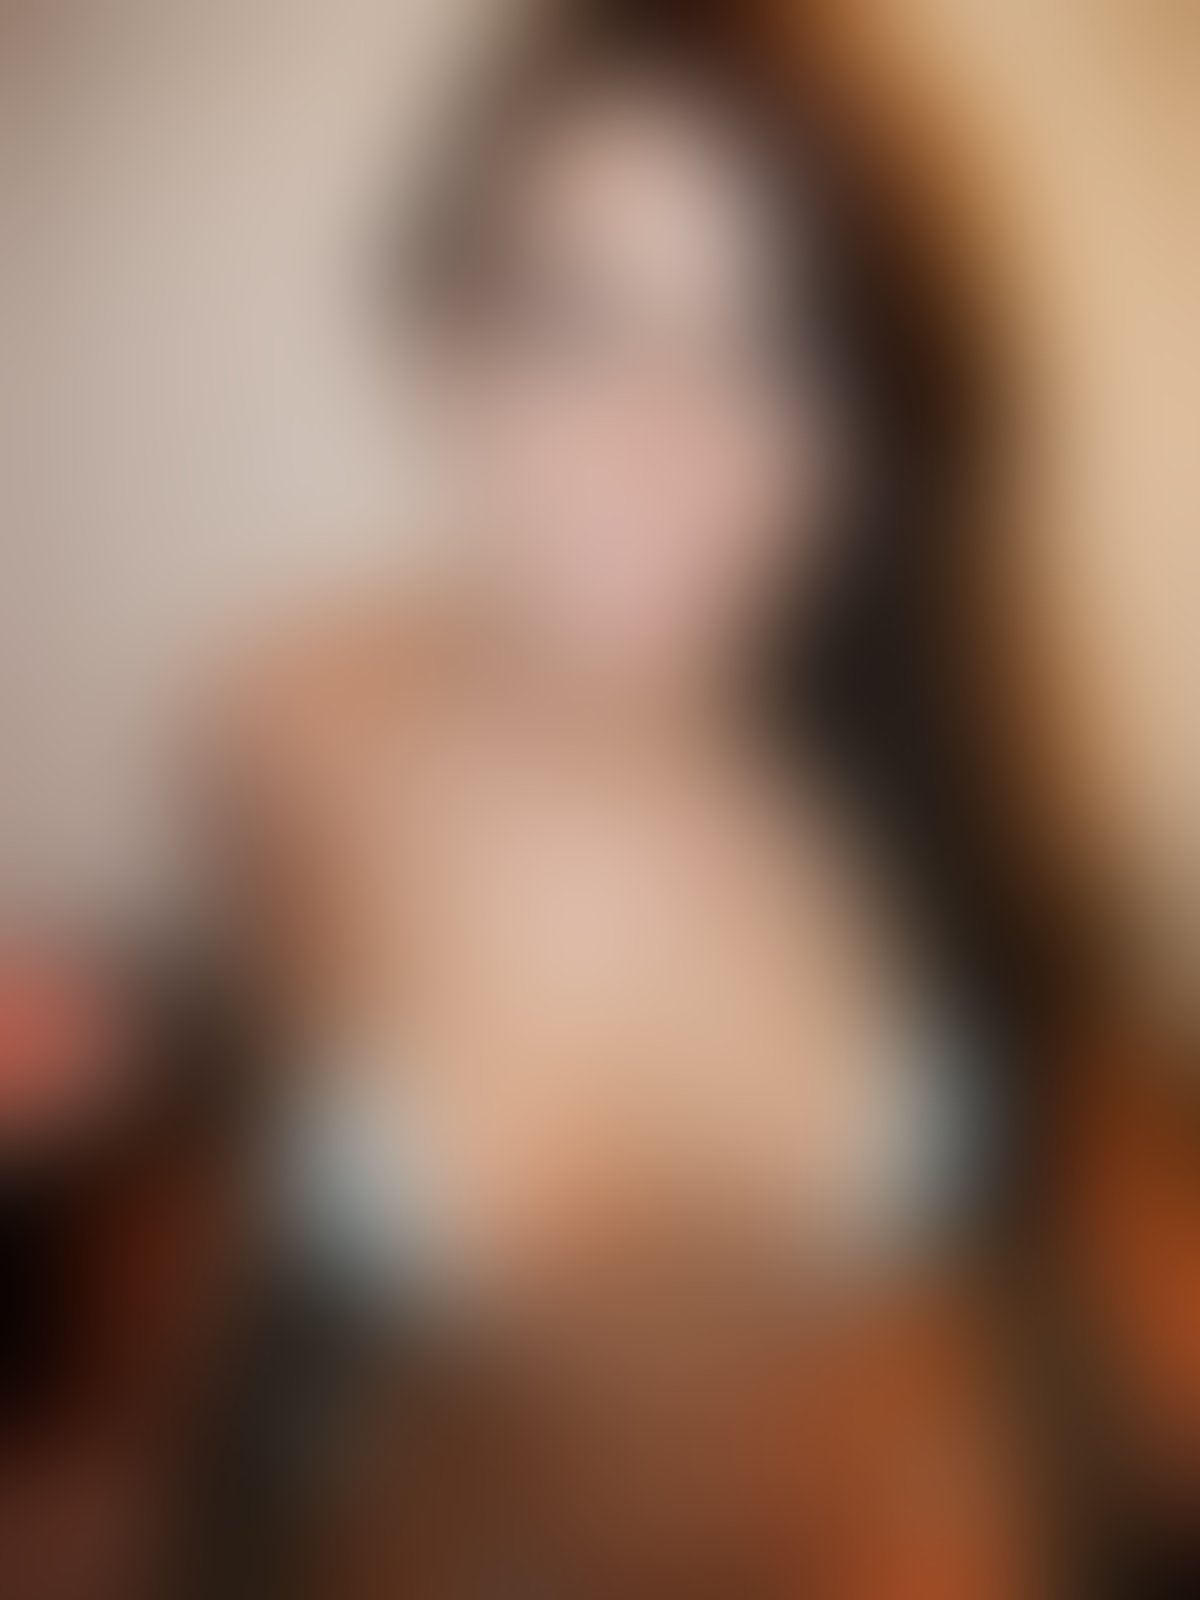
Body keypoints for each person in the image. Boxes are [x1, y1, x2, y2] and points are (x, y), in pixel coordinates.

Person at [203, 6, 1040, 1594]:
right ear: (442, 335)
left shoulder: (930, 795)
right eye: (573, 319)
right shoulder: (288, 728)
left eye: (772, 343)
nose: (659, 442)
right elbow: (270, 1201)